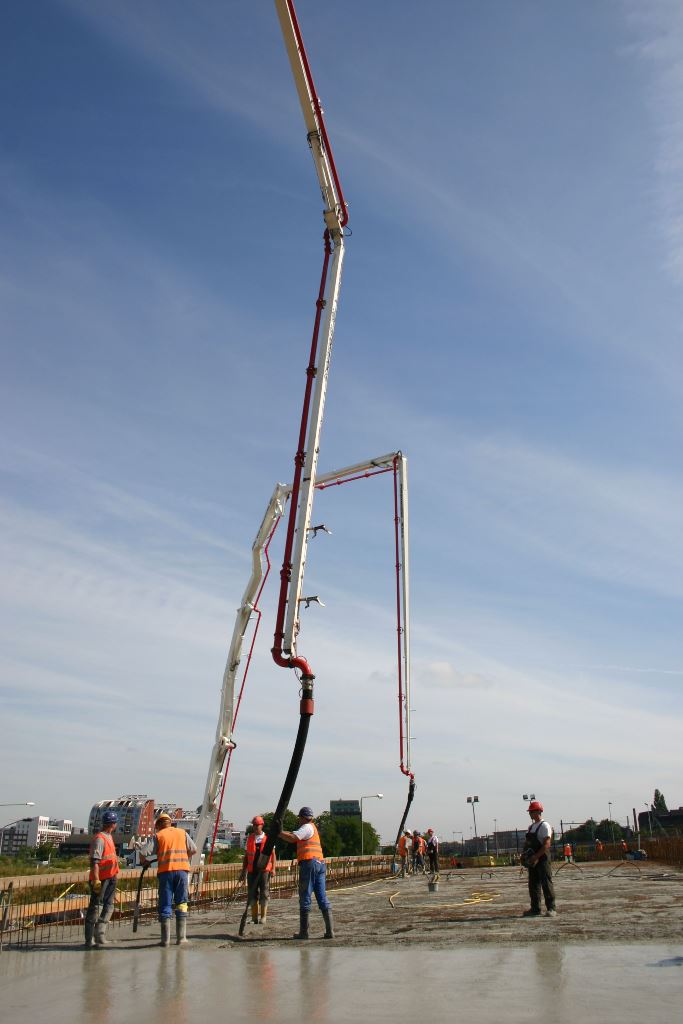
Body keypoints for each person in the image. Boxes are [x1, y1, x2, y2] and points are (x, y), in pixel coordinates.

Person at [142, 813, 197, 947]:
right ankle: (181, 938)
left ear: (159, 825)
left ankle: (165, 940)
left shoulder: (159, 835)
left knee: (165, 904)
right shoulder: (182, 833)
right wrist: (185, 857)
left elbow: (144, 852)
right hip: (182, 872)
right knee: (182, 903)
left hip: (166, 873)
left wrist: (144, 862)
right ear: (170, 822)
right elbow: (194, 849)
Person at [280, 806, 334, 940]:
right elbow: (292, 834)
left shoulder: (306, 827)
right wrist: (282, 832)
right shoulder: (312, 828)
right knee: (322, 897)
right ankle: (330, 931)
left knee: (305, 897)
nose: (298, 820)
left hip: (309, 864)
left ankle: (304, 932)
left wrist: (278, 833)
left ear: (302, 817)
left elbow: (293, 838)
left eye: (299, 818)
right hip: (320, 864)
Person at [84, 810, 120, 948]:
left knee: (109, 906)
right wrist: (96, 879)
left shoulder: (108, 837)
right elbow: (95, 861)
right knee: (95, 907)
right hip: (101, 879)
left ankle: (100, 936)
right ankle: (89, 940)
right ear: (113, 824)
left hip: (111, 877)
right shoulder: (100, 838)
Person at [521, 800, 556, 918]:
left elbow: (546, 844)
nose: (530, 814)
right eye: (530, 812)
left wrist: (536, 856)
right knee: (533, 884)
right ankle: (535, 909)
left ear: (539, 811)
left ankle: (551, 908)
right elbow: (528, 843)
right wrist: (524, 855)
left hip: (542, 858)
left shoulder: (544, 825)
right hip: (533, 859)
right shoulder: (531, 827)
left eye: (532, 811)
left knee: (546, 882)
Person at [239, 815, 276, 924]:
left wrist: (273, 869)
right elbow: (246, 856)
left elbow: (273, 855)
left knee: (264, 892)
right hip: (252, 870)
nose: (255, 827)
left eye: (257, 825)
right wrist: (243, 871)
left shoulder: (267, 839)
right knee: (252, 893)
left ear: (262, 825)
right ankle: (254, 917)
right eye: (254, 825)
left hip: (264, 870)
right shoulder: (250, 838)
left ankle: (263, 917)